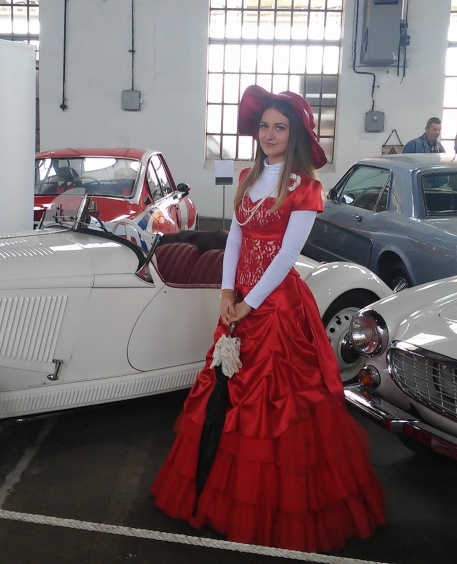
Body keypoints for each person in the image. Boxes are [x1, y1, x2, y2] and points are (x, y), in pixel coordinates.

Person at [151, 85, 385, 553]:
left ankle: (273, 509)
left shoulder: (305, 188)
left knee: (276, 406)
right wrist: (226, 293)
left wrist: (249, 304)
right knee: (225, 395)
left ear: (294, 134)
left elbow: (285, 257)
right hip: (238, 302)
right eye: (264, 126)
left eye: (280, 127)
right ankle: (218, 493)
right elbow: (234, 239)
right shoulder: (246, 177)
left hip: (275, 309)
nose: (270, 134)